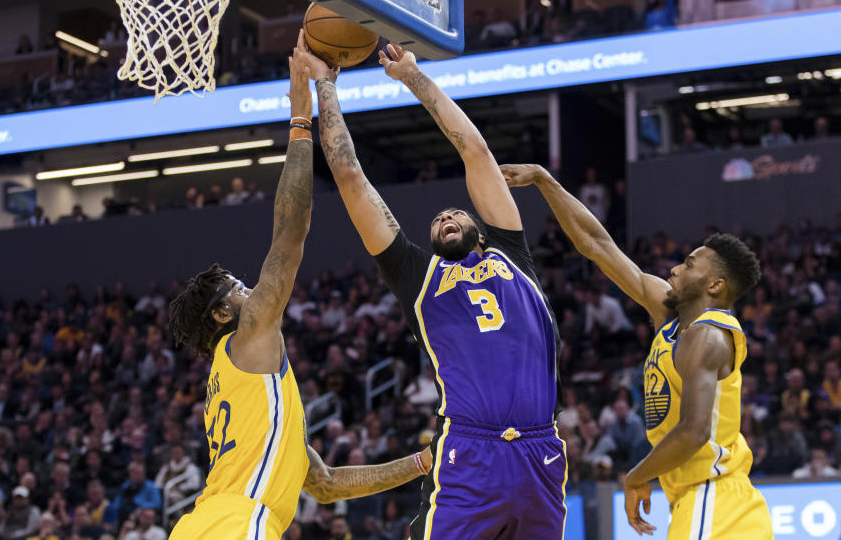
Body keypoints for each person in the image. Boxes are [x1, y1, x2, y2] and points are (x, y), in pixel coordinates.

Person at [166, 32, 433, 540]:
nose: (252, 290)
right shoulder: (245, 340)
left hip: (208, 524)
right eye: (239, 287)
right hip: (235, 525)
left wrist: (422, 461)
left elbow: (327, 483)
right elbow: (290, 235)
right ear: (222, 314)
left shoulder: (251, 388)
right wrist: (298, 117)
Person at [307, 42, 564, 539]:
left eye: (456, 213)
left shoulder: (511, 254)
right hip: (469, 453)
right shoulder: (415, 274)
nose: (446, 216)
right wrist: (326, 85)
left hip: (541, 452)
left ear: (483, 230)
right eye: (437, 218)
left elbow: (476, 150)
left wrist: (412, 77)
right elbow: (349, 175)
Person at [499, 163, 772, 539]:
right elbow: (596, 244)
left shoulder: (707, 337)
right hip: (703, 501)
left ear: (715, 285)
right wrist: (545, 180)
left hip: (715, 496)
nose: (675, 268)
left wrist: (635, 476)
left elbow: (694, 431)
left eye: (689, 265)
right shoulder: (669, 315)